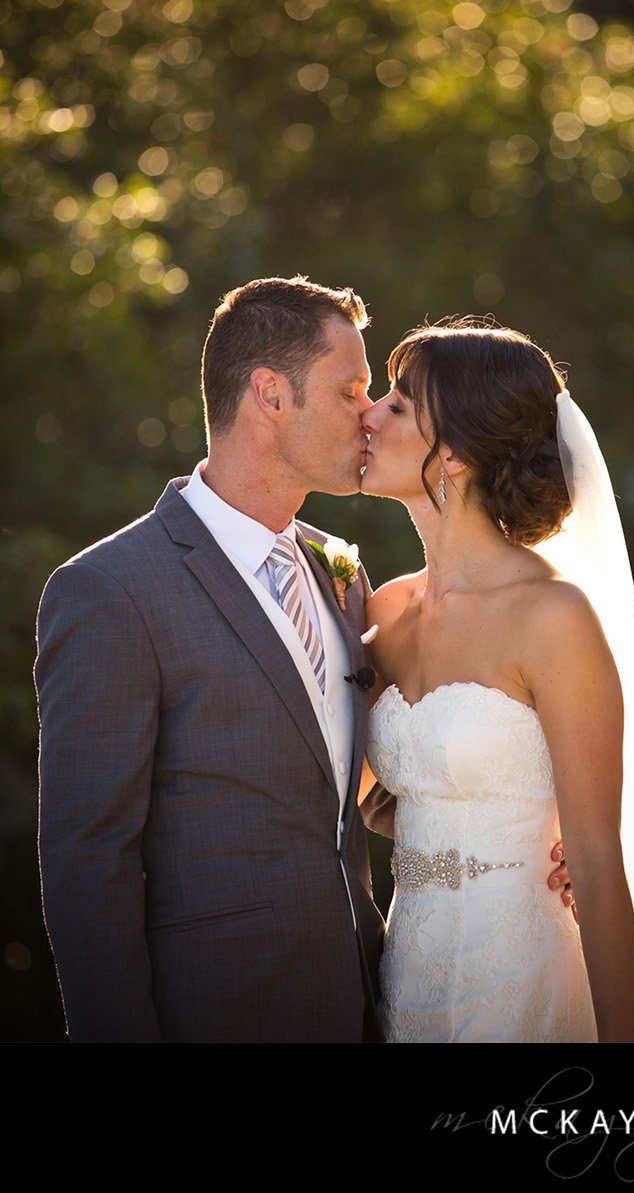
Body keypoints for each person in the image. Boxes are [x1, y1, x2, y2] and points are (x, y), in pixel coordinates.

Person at [35, 277, 385, 1041]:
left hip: (364, 1004)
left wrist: (517, 843)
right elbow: (87, 864)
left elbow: (350, 786)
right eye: (351, 389)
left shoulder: (343, 573)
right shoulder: (109, 590)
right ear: (270, 394)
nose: (372, 415)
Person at [360, 320, 634, 1043]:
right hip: (407, 971)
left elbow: (594, 858)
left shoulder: (553, 616)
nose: (368, 412)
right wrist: (453, 839)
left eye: (397, 405)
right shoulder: (383, 611)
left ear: (457, 452)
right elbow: (372, 799)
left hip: (523, 976)